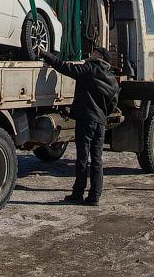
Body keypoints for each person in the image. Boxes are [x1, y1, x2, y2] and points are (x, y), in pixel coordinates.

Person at [40, 46, 120, 206]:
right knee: (97, 158)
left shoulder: (88, 69)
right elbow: (113, 104)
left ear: (99, 56)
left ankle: (78, 193)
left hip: (86, 120)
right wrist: (102, 114)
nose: (91, 53)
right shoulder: (112, 79)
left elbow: (64, 67)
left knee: (83, 158)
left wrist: (45, 55)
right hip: (100, 122)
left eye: (94, 52)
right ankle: (95, 196)